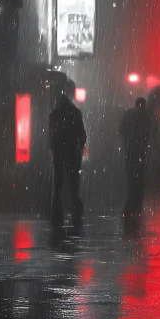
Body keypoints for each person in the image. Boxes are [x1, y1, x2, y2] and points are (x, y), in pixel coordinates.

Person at [49, 91, 87, 227]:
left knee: (58, 181)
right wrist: (79, 146)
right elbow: (82, 133)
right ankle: (74, 207)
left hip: (60, 151)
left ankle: (57, 207)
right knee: (73, 181)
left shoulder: (54, 115)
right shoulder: (75, 113)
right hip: (71, 151)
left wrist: (53, 145)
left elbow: (51, 133)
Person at [119, 97, 151, 216]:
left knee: (131, 175)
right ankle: (137, 204)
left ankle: (131, 202)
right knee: (139, 176)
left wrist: (127, 141)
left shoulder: (130, 114)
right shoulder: (146, 116)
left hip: (131, 150)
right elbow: (151, 131)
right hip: (140, 152)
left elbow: (121, 129)